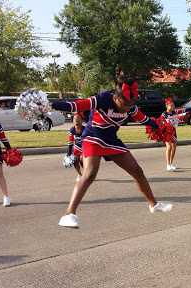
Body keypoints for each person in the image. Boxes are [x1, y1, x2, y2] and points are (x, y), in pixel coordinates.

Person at [51, 75, 173, 228]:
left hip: (111, 140)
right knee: (90, 173)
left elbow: (143, 119)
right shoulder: (102, 99)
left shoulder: (130, 106)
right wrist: (51, 104)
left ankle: (153, 205)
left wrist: (160, 125)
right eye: (124, 104)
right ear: (115, 97)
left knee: (137, 171)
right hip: (93, 137)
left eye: (130, 105)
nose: (127, 108)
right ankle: (69, 215)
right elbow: (75, 105)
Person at [161, 98, 191, 170]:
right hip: (167, 133)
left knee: (174, 148)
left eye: (173, 105)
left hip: (174, 132)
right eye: (171, 106)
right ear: (166, 106)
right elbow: (160, 122)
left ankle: (171, 163)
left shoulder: (174, 112)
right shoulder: (164, 114)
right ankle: (167, 164)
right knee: (169, 147)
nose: (173, 107)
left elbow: (184, 110)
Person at [67, 112, 84, 181]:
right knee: (75, 161)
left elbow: (86, 141)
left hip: (84, 148)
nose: (76, 120)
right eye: (74, 119)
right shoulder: (72, 130)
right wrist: (69, 153)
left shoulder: (85, 129)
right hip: (77, 148)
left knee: (82, 161)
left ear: (82, 120)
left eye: (78, 118)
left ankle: (88, 174)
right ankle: (80, 174)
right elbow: (70, 142)